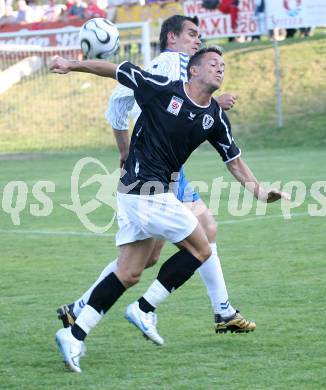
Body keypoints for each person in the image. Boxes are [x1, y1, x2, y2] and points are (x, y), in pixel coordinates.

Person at [50, 46, 290, 373]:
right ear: (193, 70)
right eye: (213, 64)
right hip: (144, 190)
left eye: (223, 65)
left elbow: (233, 161)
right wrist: (70, 64)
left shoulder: (215, 117)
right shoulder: (163, 89)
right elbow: (117, 70)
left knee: (130, 271)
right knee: (202, 246)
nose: (220, 69)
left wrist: (260, 192)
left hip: (145, 193)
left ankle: (74, 334)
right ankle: (145, 308)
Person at [57, 15, 253, 338]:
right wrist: (213, 103)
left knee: (143, 260)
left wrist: (124, 151)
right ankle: (215, 310)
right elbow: (180, 101)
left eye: (199, 37)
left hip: (154, 164)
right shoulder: (172, 65)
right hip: (159, 168)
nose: (196, 42)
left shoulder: (166, 67)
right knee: (202, 236)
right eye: (191, 35)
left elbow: (118, 109)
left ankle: (78, 313)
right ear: (171, 38)